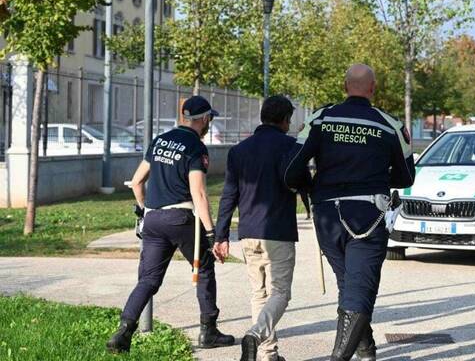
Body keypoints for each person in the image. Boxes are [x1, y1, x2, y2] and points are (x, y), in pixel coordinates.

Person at [284, 64, 415, 361]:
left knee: (349, 285)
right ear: (373, 88)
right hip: (368, 215)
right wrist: (379, 177)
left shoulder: (321, 118)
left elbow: (291, 169)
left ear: (345, 87)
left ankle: (366, 351)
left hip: (327, 216)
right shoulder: (389, 124)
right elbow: (407, 177)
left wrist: (314, 186)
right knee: (359, 288)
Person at [106, 96, 235, 353]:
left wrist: (145, 211)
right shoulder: (196, 148)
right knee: (205, 268)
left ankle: (124, 330)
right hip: (181, 218)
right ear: (204, 119)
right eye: (210, 118)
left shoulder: (159, 140)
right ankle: (208, 331)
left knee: (149, 280)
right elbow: (198, 193)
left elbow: (137, 181)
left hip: (153, 220)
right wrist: (211, 234)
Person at [216, 95, 307, 361]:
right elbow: (303, 182)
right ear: (285, 120)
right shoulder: (291, 147)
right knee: (280, 294)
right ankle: (255, 335)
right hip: (278, 232)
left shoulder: (239, 151)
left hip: (247, 233)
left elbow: (228, 196)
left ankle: (267, 355)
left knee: (259, 294)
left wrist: (221, 236)